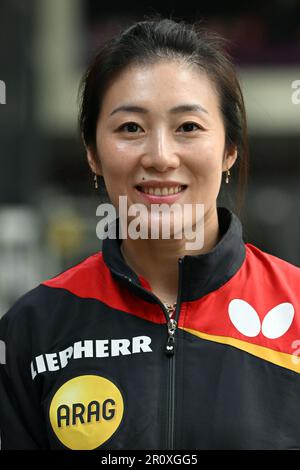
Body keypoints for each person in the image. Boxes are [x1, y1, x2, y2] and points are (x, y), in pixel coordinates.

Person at [1, 16, 300, 451]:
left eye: (188, 127)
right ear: (93, 155)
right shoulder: (32, 331)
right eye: (130, 129)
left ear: (229, 150)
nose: (160, 156)